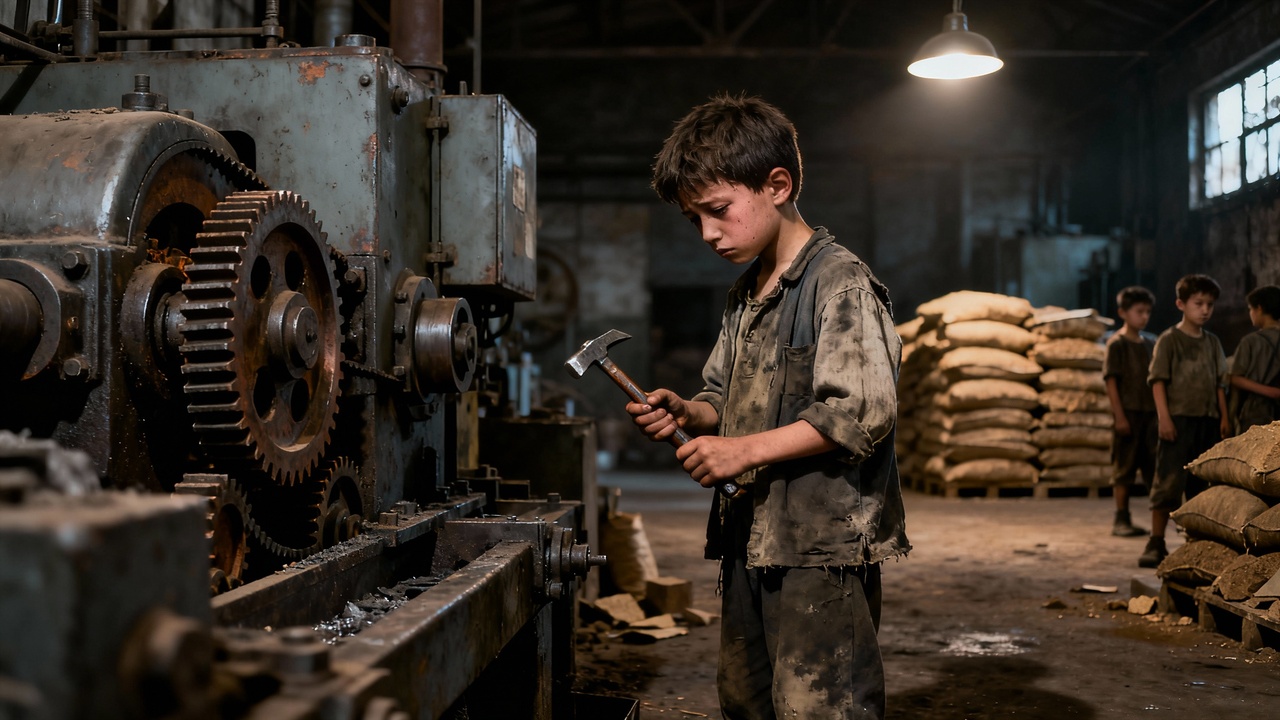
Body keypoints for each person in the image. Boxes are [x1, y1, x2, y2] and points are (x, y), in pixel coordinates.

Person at [627, 93, 908, 719]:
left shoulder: (840, 283)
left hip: (819, 550)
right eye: (694, 219)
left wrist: (741, 452)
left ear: (777, 185)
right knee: (746, 700)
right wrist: (689, 413)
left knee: (820, 706)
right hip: (751, 537)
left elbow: (861, 411)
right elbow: (721, 395)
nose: (707, 233)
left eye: (718, 210)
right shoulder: (747, 293)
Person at [1141, 274, 1230, 568]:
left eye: (1209, 305)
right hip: (1177, 422)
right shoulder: (1169, 340)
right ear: (1181, 304)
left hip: (1207, 421)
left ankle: (1195, 544)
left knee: (1201, 486)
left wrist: (1223, 417)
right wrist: (1164, 419)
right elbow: (1158, 381)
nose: (1204, 310)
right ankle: (1156, 541)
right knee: (1167, 481)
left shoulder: (1212, 343)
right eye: (1198, 303)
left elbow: (1220, 383)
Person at [1102, 286, 1158, 538]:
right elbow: (1111, 381)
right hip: (1129, 414)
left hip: (1150, 415)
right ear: (1123, 313)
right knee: (1124, 468)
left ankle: (1159, 519)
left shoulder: (1151, 343)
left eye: (1147, 312)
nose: (1144, 317)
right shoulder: (1117, 344)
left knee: (1153, 468)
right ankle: (1121, 518)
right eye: (1139, 311)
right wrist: (1120, 416)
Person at [1228, 285, 1280, 433]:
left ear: (1259, 309)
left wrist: (1269, 391)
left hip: (1256, 411)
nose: (1250, 313)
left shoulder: (1250, 341)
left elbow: (1235, 378)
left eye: (1250, 309)